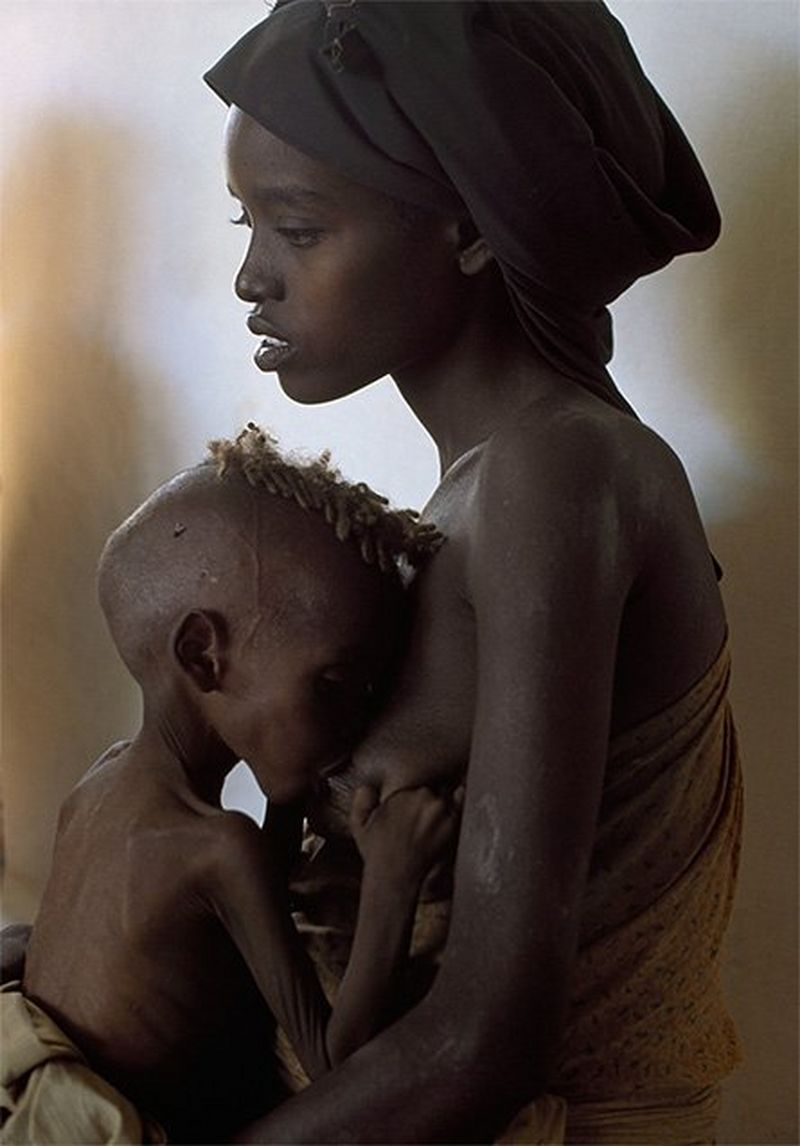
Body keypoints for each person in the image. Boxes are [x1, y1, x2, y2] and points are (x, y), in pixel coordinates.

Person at [201, 2, 744, 1143]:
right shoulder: (483, 490)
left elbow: (484, 1040)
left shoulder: (559, 476)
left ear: (469, 230)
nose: (253, 278)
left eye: (297, 230)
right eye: (243, 223)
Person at [0, 425, 458, 1145]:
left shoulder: (97, 785)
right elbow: (337, 1065)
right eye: (336, 687)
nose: (357, 725)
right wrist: (393, 882)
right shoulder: (218, 848)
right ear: (203, 656)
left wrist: (293, 805)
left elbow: (218, 926)